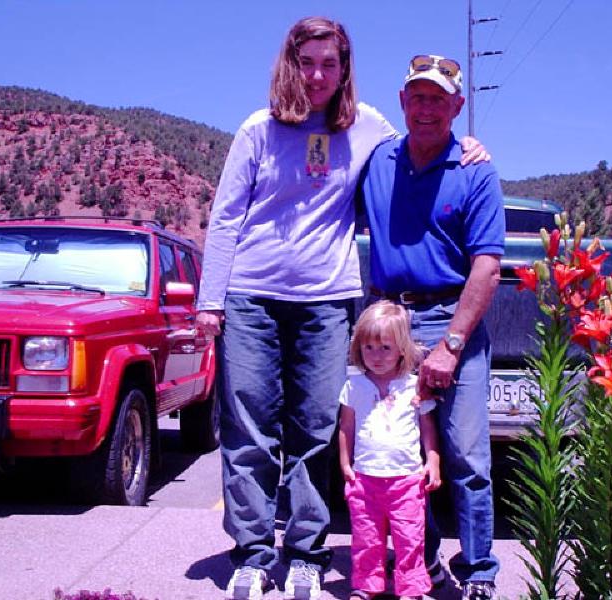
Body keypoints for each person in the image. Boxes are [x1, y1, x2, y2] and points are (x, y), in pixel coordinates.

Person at [196, 17, 488, 600]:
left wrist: (471, 146)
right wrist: (210, 301)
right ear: (290, 63)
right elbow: (226, 217)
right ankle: (253, 552)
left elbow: (424, 142)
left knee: (316, 429)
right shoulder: (258, 129)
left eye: (330, 64)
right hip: (252, 297)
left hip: (328, 302)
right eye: (307, 62)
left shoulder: (367, 126)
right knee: (249, 430)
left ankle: (305, 550)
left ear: (345, 69)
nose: (318, 75)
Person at [359, 54, 505, 600]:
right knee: (401, 455)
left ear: (457, 107)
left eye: (438, 99)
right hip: (389, 325)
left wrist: (450, 344)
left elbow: (487, 267)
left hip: (451, 321)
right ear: (402, 101)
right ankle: (424, 558)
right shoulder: (376, 162)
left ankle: (480, 571)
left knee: (466, 455)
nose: (426, 108)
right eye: (418, 96)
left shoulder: (475, 171)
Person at [338, 301, 441, 600]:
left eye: (385, 347)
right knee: (367, 539)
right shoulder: (354, 385)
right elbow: (346, 427)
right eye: (369, 348)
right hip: (365, 479)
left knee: (410, 538)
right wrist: (346, 462)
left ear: (401, 349)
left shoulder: (413, 387)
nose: (376, 356)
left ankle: (410, 589)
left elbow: (427, 428)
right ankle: (366, 585)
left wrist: (432, 460)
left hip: (406, 481)